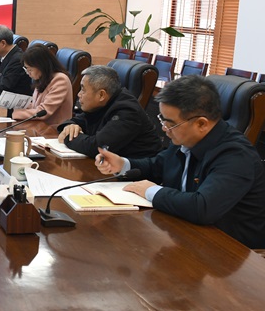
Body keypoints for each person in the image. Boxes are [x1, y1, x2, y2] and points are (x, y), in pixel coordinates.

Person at [95, 75, 265, 249]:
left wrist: (151, 191)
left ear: (201, 124)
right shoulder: (185, 138)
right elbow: (157, 166)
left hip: (231, 251)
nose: (164, 129)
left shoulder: (236, 155)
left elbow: (202, 208)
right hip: (186, 233)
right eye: (162, 120)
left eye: (170, 124)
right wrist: (122, 164)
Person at [57, 65, 160, 158]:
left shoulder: (128, 112)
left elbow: (97, 148)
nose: (79, 94)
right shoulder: (103, 102)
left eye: (83, 89)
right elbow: (77, 120)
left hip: (136, 170)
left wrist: (68, 136)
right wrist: (69, 126)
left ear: (101, 95)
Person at [0, 44, 72, 126]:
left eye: (30, 69)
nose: (28, 73)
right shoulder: (43, 78)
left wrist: (9, 113)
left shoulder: (60, 80)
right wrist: (8, 103)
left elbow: (44, 111)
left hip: (53, 129)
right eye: (26, 69)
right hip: (38, 125)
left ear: (41, 66)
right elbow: (35, 105)